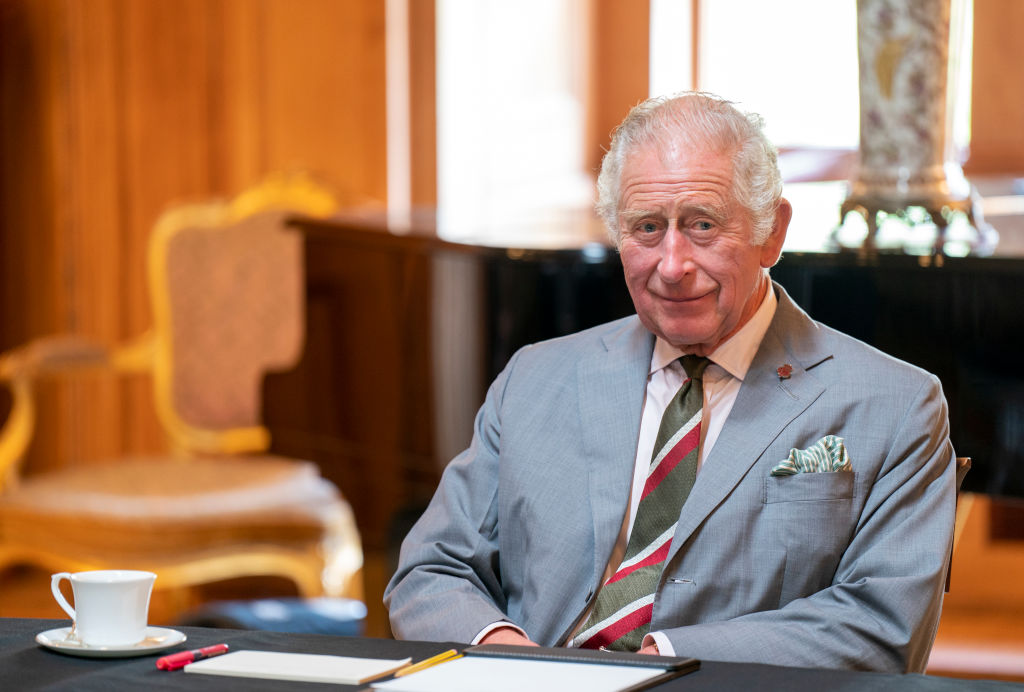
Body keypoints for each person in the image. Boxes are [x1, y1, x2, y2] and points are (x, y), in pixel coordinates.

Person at [384, 92, 956, 673]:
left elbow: (882, 626)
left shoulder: (897, 405)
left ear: (772, 232)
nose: (673, 264)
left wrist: (660, 663)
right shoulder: (534, 377)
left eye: (703, 225)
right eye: (648, 228)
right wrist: (510, 661)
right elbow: (432, 570)